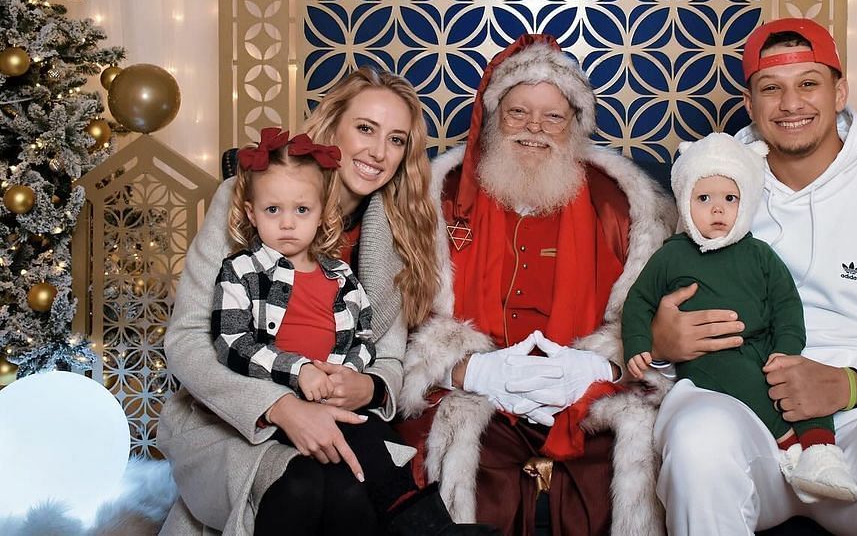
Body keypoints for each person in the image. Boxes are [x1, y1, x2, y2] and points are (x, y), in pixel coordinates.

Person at [650, 18, 857, 535]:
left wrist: (850, 386)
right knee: (698, 438)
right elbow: (665, 314)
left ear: (840, 92)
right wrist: (660, 343)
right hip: (740, 409)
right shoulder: (709, 196)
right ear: (750, 103)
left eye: (808, 84)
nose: (791, 104)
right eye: (772, 88)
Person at [397, 34, 678, 536]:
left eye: (553, 117)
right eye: (518, 113)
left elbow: (655, 319)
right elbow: (398, 315)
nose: (534, 130)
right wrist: (467, 370)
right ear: (493, 116)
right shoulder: (440, 197)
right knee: (449, 469)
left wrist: (598, 365)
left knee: (622, 464)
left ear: (576, 124)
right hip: (475, 394)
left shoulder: (622, 204)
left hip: (588, 396)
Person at [159, 68, 454, 536]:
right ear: (332, 127)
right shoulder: (247, 199)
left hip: (341, 417)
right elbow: (189, 342)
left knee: (353, 488)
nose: (379, 152)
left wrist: (369, 387)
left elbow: (391, 359)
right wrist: (279, 406)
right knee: (306, 489)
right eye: (365, 129)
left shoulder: (396, 234)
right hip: (234, 416)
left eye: (396, 140)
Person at [210, 126, 495, 535]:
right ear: (252, 214)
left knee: (380, 447)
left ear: (322, 214)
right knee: (351, 460)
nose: (288, 223)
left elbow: (360, 340)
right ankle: (429, 529)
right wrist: (299, 371)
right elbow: (231, 342)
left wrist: (348, 375)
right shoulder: (241, 271)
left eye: (301, 211)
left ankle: (429, 524)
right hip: (280, 399)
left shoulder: (340, 277)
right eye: (273, 211)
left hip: (335, 396)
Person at [621, 132, 857, 505]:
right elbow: (639, 301)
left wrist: (786, 350)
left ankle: (822, 453)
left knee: (801, 381)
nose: (718, 209)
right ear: (685, 203)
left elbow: (786, 305)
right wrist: (638, 343)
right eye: (704, 199)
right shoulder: (671, 255)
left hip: (763, 345)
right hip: (708, 359)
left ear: (745, 203)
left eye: (729, 199)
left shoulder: (760, 254)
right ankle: (789, 447)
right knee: (746, 380)